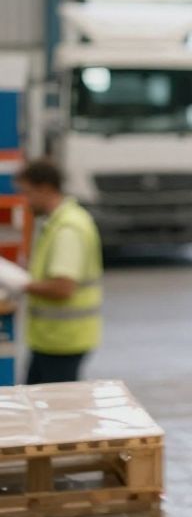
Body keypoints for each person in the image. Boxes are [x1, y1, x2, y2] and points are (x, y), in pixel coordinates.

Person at [10, 159, 103, 384]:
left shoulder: (67, 229)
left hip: (63, 340)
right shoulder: (57, 222)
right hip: (51, 339)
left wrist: (18, 283)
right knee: (38, 405)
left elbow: (63, 287)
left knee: (58, 412)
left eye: (27, 193)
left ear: (45, 188)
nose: (25, 200)